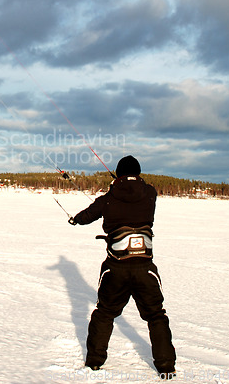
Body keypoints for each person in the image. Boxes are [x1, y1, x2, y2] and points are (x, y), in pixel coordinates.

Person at [70, 155, 176, 380]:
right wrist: (123, 182)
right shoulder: (150, 194)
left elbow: (87, 215)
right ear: (139, 174)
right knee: (156, 315)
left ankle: (94, 363)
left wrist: (75, 219)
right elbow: (140, 189)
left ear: (117, 174)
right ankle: (166, 366)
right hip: (145, 268)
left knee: (105, 313)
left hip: (115, 268)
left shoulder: (108, 198)